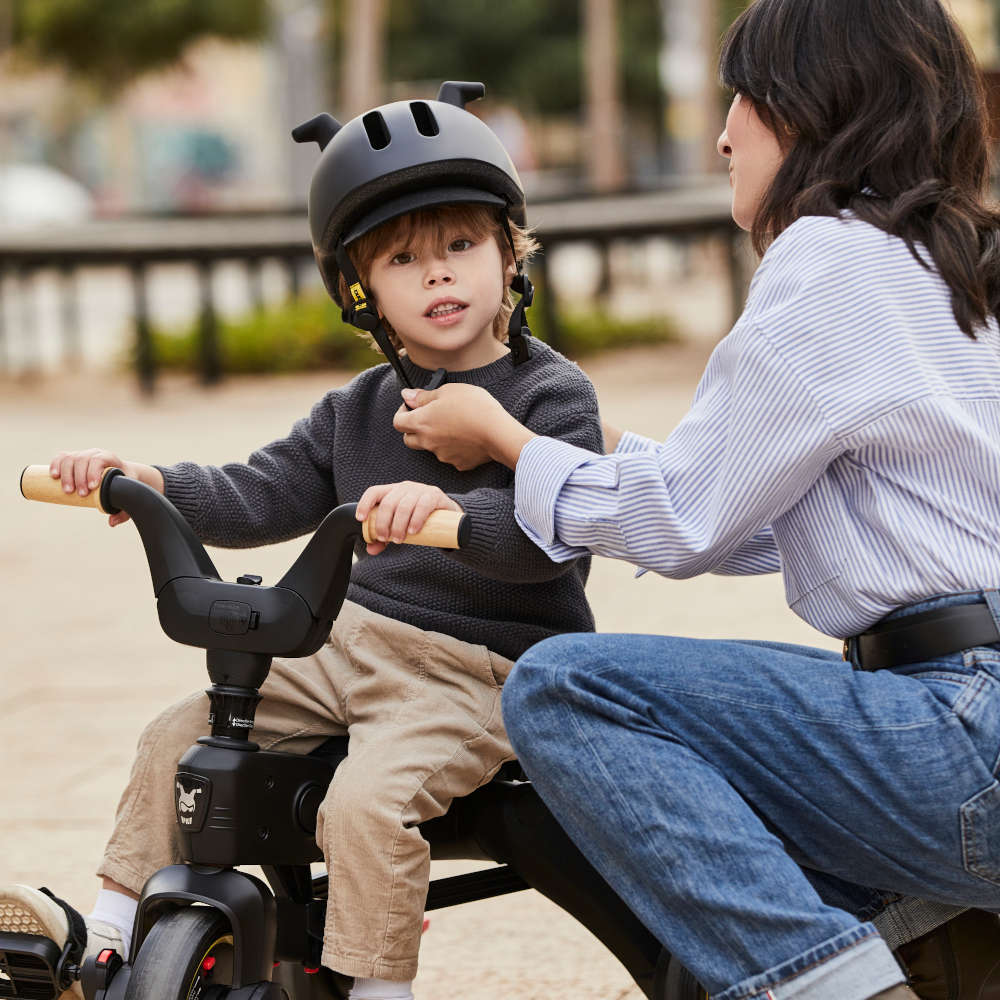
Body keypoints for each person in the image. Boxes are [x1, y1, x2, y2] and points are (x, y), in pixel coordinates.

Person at [386, 4, 1000, 999]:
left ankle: (836, 988)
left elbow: (684, 520)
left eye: (744, 98)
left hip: (961, 734)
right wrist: (572, 446)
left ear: (808, 109)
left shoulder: (828, 257)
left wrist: (509, 442)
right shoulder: (952, 261)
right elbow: (766, 507)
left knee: (569, 688)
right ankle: (936, 946)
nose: (723, 135)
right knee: (727, 801)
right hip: (970, 726)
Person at [0, 85, 602, 1000]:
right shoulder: (357, 407)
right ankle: (106, 945)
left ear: (510, 253)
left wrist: (447, 515)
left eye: (460, 246)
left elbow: (551, 540)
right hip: (346, 646)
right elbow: (259, 491)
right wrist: (147, 480)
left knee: (366, 802)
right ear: (362, 293)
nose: (437, 276)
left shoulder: (550, 398)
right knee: (179, 738)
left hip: (483, 668)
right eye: (403, 259)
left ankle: (377, 988)